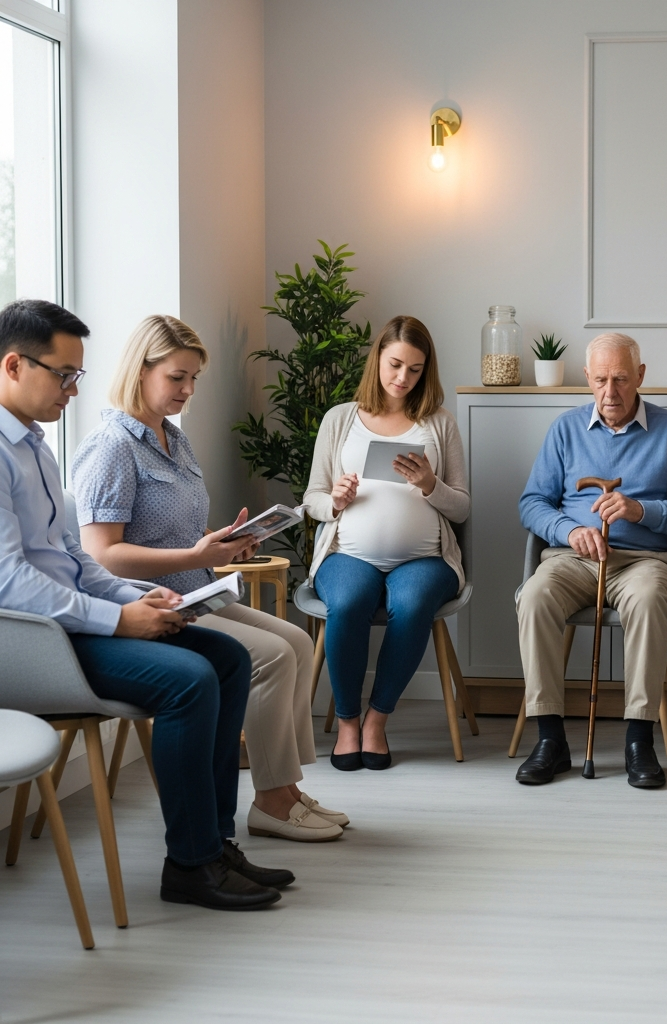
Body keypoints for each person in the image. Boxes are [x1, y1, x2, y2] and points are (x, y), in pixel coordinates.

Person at [0, 298, 289, 909]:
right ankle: (190, 864)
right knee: (189, 681)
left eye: (77, 374)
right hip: (35, 642)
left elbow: (74, 558)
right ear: (13, 366)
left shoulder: (36, 447)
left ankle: (215, 843)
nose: (75, 389)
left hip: (74, 623)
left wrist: (134, 596)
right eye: (63, 374)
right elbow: (11, 583)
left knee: (229, 660)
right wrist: (117, 619)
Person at [71, 315, 345, 842]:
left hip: (198, 586)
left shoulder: (173, 438)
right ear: (141, 369)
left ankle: (285, 789)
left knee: (296, 641)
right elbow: (102, 556)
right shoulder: (111, 446)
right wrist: (195, 554)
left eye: (193, 378)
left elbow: (172, 530)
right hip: (154, 602)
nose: (188, 390)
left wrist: (221, 543)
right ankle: (272, 801)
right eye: (177, 377)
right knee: (271, 656)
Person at [516, 332, 667, 788]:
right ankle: (550, 739)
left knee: (648, 600)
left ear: (640, 376)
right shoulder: (565, 429)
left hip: (643, 561)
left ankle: (639, 740)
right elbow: (532, 503)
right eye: (601, 379)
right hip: (573, 559)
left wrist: (641, 510)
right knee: (535, 597)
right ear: (587, 377)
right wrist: (570, 530)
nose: (610, 391)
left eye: (621, 379)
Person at [304, 315, 469, 770]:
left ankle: (376, 720)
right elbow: (312, 498)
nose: (402, 378)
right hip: (348, 555)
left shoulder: (439, 423)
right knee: (348, 603)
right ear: (377, 358)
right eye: (395, 365)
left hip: (425, 559)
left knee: (412, 605)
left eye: (415, 369)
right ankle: (348, 723)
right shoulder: (340, 419)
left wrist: (431, 484)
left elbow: (461, 508)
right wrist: (335, 500)